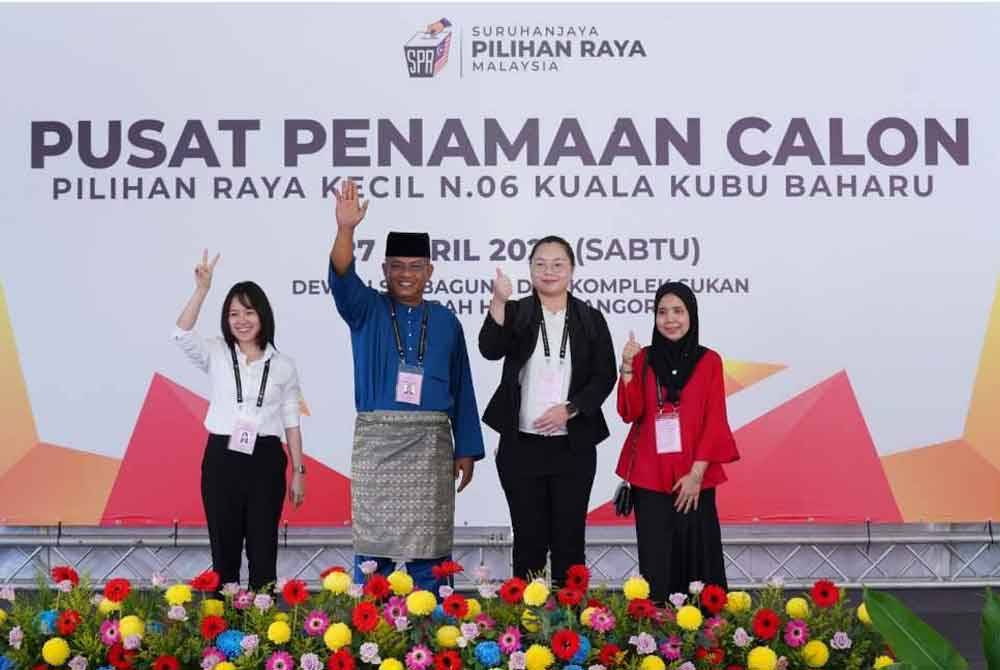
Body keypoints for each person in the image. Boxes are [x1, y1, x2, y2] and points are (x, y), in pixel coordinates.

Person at [327, 179, 485, 590]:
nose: (406, 275)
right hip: (378, 448)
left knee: (430, 554)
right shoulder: (366, 309)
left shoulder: (447, 320)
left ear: (430, 271)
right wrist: (346, 229)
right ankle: (370, 641)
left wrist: (466, 448)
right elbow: (342, 274)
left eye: (415, 267)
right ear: (384, 270)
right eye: (396, 266)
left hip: (431, 448)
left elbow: (462, 388)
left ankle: (429, 638)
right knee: (372, 558)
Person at [479, 236, 616, 586]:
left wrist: (571, 409)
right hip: (521, 446)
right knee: (528, 544)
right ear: (530, 270)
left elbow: (605, 376)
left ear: (571, 270)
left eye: (558, 264)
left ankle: (574, 631)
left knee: (570, 544)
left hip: (572, 448)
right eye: (540, 263)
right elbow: (490, 349)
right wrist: (498, 300)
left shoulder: (589, 318)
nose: (549, 271)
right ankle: (526, 633)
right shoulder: (516, 311)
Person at [173, 250, 306, 591]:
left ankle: (262, 635)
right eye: (234, 313)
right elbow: (182, 334)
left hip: (266, 459)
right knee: (224, 554)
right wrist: (202, 289)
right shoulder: (216, 353)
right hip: (221, 458)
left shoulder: (283, 365)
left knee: (263, 554)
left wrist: (299, 472)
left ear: (263, 315)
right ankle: (223, 637)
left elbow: (292, 419)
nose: (241, 320)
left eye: (249, 312)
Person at [616, 282, 739, 602]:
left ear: (691, 315)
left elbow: (714, 422)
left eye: (678, 311)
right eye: (662, 312)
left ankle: (706, 643)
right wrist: (627, 369)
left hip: (694, 478)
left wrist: (697, 475)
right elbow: (630, 412)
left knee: (700, 565)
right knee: (656, 567)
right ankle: (656, 643)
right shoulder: (643, 359)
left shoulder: (709, 361)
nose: (670, 319)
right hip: (650, 478)